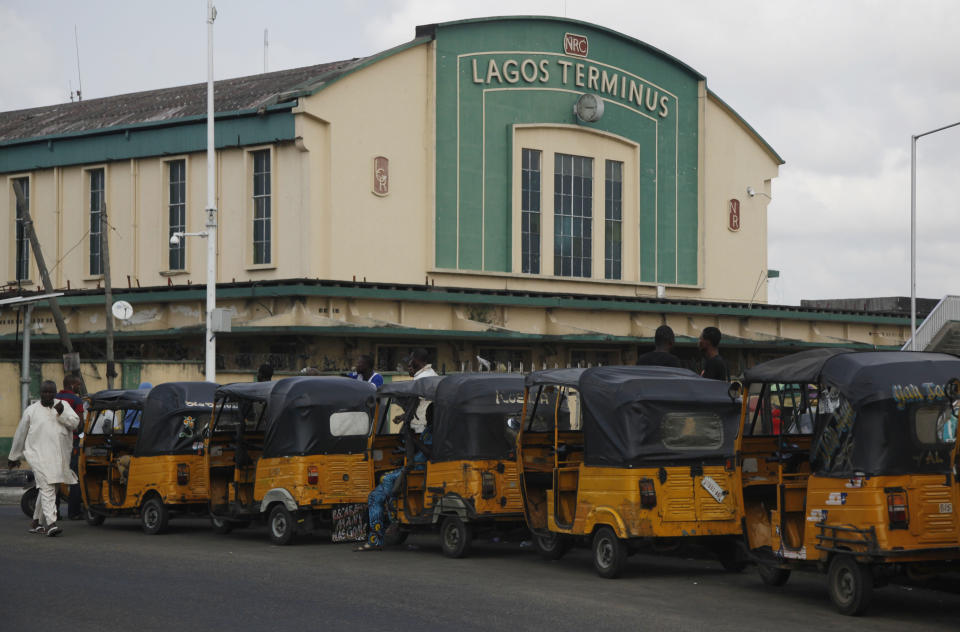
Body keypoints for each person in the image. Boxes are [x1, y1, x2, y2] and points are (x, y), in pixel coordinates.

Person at [7, 380, 80, 536]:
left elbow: (75, 424)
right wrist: (14, 456)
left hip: (59, 457)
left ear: (55, 393)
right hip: (37, 455)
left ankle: (36, 522)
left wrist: (63, 413)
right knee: (47, 487)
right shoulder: (31, 411)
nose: (47, 395)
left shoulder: (63, 405)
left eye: (50, 392)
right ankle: (51, 523)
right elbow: (20, 434)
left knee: (50, 488)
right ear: (40, 393)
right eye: (45, 392)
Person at [356, 405, 433, 551]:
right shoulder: (429, 430)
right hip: (413, 466)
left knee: (385, 480)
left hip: (420, 469)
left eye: (430, 414)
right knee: (376, 495)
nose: (427, 417)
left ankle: (392, 518)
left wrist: (415, 442)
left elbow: (429, 452)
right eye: (428, 413)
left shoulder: (437, 432)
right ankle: (383, 528)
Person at [56, 374, 85, 520]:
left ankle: (54, 513)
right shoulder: (76, 400)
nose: (79, 387)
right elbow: (79, 424)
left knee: (53, 476)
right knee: (74, 477)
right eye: (78, 385)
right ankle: (74, 512)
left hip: (53, 443)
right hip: (70, 442)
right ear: (72, 385)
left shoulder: (53, 398)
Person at [405, 348, 438, 432]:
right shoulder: (430, 373)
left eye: (412, 359)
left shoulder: (422, 377)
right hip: (426, 420)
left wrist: (406, 415)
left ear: (416, 360)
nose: (411, 361)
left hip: (420, 422)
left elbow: (415, 400)